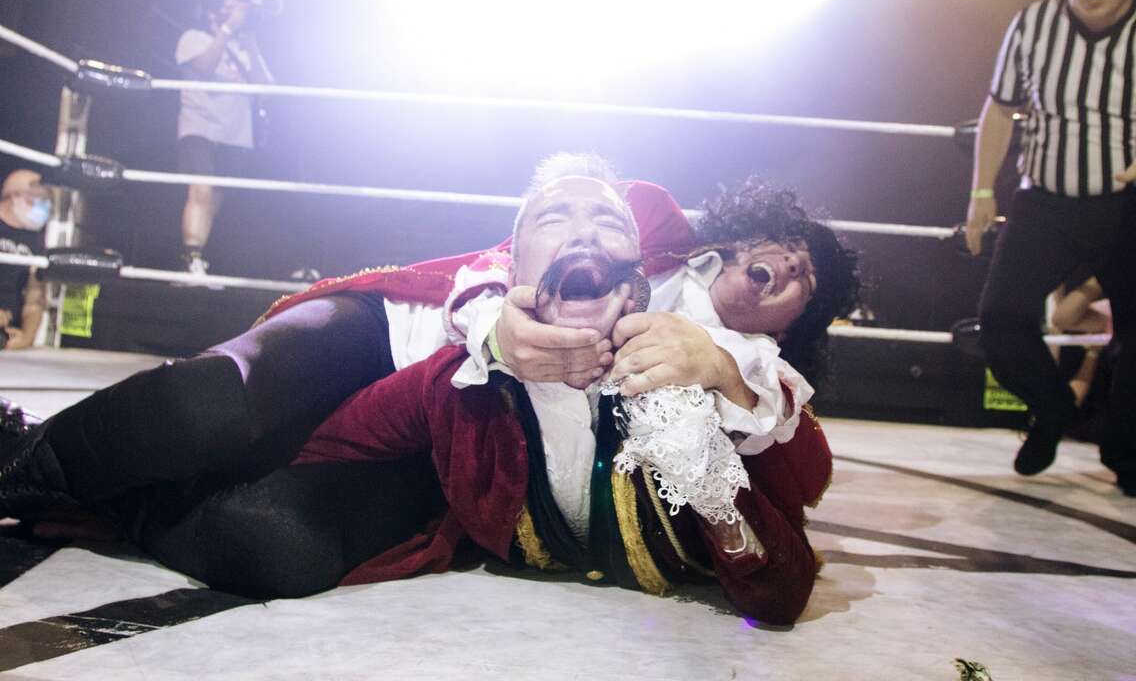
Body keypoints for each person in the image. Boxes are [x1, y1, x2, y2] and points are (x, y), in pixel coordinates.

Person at [0, 159, 856, 624]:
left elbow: (791, 439)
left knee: (277, 545)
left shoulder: (690, 326)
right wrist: (490, 336)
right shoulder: (497, 288)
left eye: (605, 222)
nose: (584, 231)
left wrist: (710, 373)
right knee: (210, 407)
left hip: (431, 415)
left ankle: (125, 502)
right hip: (391, 334)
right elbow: (482, 295)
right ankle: (21, 460)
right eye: (555, 218)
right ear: (508, 250)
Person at [964, 0, 1136, 499]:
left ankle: (1128, 455)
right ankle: (1053, 409)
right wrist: (983, 190)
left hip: (1131, 203)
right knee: (999, 321)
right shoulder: (1032, 23)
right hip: (1044, 200)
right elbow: (1000, 106)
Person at [175, 0, 273, 275]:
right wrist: (228, 28)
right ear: (212, 13)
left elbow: (267, 88)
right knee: (201, 191)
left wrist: (251, 41)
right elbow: (203, 67)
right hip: (200, 127)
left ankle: (198, 259)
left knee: (214, 200)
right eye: (230, 7)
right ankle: (189, 261)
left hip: (234, 134)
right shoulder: (193, 37)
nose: (237, 13)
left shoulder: (241, 48)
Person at [0, 169, 49, 350]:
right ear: (14, 196)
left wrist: (26, 337)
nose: (43, 206)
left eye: (45, 201)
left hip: (8, 335)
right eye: (37, 199)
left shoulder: (35, 241)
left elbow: (34, 299)